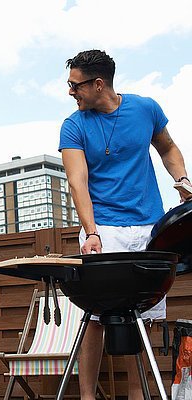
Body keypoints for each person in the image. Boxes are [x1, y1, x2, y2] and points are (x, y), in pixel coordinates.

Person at [58, 49, 191, 399]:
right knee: (95, 316)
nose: (71, 92)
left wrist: (181, 180)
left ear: (98, 83)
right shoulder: (73, 126)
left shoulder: (145, 108)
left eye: (75, 86)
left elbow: (168, 147)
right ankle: (87, 396)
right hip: (104, 229)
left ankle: (136, 394)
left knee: (143, 320)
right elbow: (77, 182)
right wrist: (91, 232)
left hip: (149, 227)